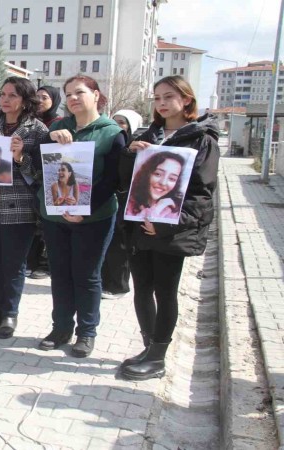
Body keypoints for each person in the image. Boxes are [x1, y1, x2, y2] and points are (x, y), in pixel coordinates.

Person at [119, 76, 219, 381]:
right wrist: (129, 155)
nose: (161, 103)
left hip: (169, 231)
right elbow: (126, 182)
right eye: (157, 98)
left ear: (186, 99)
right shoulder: (148, 134)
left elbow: (201, 195)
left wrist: (164, 225)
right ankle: (148, 347)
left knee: (165, 292)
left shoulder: (201, 139)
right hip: (139, 226)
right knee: (141, 289)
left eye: (168, 97)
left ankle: (158, 357)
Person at [36, 75, 126, 358]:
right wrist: (48, 139)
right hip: (56, 216)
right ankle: (61, 328)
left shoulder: (112, 133)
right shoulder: (58, 127)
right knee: (60, 274)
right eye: (69, 94)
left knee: (87, 276)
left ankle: (87, 332)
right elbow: (35, 159)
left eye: (80, 92)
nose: (73, 98)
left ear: (96, 95)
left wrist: (83, 210)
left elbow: (113, 180)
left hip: (94, 218)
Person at [0, 77, 48, 338]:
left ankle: (10, 314)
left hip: (18, 207)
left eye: (12, 95)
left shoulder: (37, 130)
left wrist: (20, 157)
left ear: (25, 100)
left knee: (13, 264)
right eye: (2, 94)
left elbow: (41, 175)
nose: (5, 99)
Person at [101, 109, 144, 299]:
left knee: (119, 245)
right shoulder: (109, 143)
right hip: (109, 200)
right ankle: (105, 282)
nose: (117, 126)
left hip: (126, 201)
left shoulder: (138, 147)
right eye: (115, 121)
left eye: (122, 122)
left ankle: (119, 286)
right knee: (107, 244)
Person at [25, 85, 62, 280]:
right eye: (37, 96)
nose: (39, 100)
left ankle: (45, 263)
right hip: (30, 178)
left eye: (45, 97)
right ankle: (31, 261)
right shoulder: (29, 122)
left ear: (54, 100)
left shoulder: (59, 123)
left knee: (46, 225)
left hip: (50, 179)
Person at [125, 152, 185, 220]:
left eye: (172, 178)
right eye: (158, 174)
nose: (163, 183)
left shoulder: (176, 212)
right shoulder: (128, 202)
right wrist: (157, 209)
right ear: (146, 174)